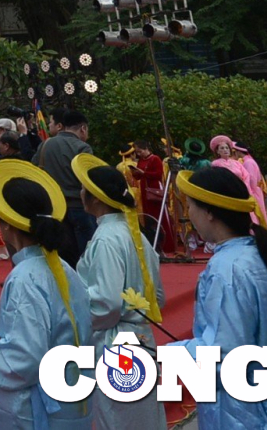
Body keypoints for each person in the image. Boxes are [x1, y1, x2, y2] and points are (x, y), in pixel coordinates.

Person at [0, 159, 93, 430]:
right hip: (68, 395)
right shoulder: (62, 268)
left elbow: (24, 359)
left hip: (37, 408)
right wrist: (0, 339)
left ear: (7, 227)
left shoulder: (25, 277)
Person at [168, 164, 267, 430]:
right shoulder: (261, 256)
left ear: (209, 212)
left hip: (240, 410)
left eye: (191, 206)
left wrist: (171, 354)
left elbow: (226, 354)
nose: (189, 215)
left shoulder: (226, 269)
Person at [69, 154, 164, 430]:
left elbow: (105, 304)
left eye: (85, 188)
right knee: (143, 419)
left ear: (96, 198)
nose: (81, 193)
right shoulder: (133, 233)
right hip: (141, 336)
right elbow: (156, 296)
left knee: (120, 420)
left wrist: (74, 321)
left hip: (116, 342)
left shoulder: (107, 239)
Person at [35, 109, 94, 264]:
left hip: (54, 208)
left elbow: (33, 170)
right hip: (78, 207)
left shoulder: (45, 145)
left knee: (62, 257)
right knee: (86, 256)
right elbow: (88, 181)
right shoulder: (83, 147)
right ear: (83, 128)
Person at [208, 135, 267, 232]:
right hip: (228, 194)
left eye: (227, 148)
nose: (225, 150)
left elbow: (246, 176)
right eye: (222, 148)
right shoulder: (216, 164)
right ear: (217, 151)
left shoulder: (237, 163)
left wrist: (243, 188)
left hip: (243, 191)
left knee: (251, 216)